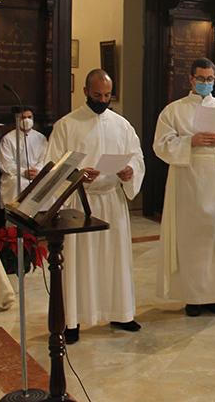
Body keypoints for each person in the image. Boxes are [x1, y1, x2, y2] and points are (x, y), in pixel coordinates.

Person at [46, 69, 145, 344]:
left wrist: (129, 171)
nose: (103, 100)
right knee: (79, 262)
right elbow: (53, 165)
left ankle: (120, 313)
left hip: (111, 199)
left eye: (107, 95)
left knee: (116, 258)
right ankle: (73, 320)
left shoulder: (122, 125)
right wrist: (77, 173)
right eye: (97, 95)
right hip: (81, 201)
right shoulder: (67, 125)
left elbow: (137, 157)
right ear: (86, 92)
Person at [153, 58, 215, 317]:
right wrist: (190, 141)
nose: (206, 83)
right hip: (186, 178)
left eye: (210, 79)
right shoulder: (173, 111)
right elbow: (161, 145)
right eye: (201, 78)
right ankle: (193, 297)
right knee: (189, 238)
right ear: (190, 79)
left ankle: (214, 294)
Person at [0, 107, 48, 207]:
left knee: (47, 185)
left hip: (37, 174)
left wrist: (37, 171)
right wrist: (23, 172)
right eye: (23, 117)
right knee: (19, 185)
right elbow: (6, 164)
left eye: (29, 117)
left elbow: (45, 158)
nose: (27, 120)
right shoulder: (8, 139)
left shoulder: (41, 138)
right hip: (15, 175)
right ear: (17, 120)